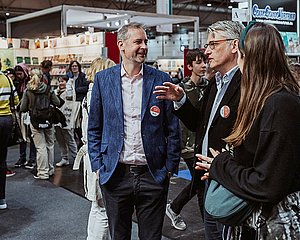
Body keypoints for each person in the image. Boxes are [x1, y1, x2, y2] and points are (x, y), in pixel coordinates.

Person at [195, 22, 300, 239]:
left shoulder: (279, 104)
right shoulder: (268, 100)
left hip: (271, 225)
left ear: (247, 56)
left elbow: (267, 184)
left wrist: (221, 164)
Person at [88, 22, 181, 240]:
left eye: (145, 41)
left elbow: (172, 127)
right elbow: (94, 127)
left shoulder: (160, 79)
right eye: (138, 41)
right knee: (119, 235)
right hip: (115, 174)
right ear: (121, 45)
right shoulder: (104, 80)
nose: (144, 47)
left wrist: (169, 167)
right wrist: (98, 166)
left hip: (153, 174)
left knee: (151, 236)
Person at [154, 20, 244, 240]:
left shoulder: (247, 84)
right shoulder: (215, 83)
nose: (207, 51)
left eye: (213, 44)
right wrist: (181, 100)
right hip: (207, 180)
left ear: (234, 46)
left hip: (230, 183)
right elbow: (199, 124)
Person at [165, 48, 208, 231]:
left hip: (203, 143)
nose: (203, 65)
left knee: (200, 183)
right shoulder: (182, 88)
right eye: (198, 62)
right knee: (200, 184)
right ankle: (207, 225)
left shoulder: (210, 86)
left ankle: (174, 208)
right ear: (189, 66)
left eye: (204, 61)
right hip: (186, 145)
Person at [74, 57, 115, 240]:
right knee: (103, 210)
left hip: (92, 155)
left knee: (96, 206)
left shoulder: (90, 94)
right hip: (99, 156)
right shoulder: (97, 96)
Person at [20, 69, 61, 179]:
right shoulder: (48, 89)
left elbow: (22, 108)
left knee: (40, 147)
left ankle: (43, 172)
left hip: (35, 120)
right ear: (42, 77)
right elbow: (57, 102)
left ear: (30, 77)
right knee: (50, 145)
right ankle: (51, 169)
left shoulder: (28, 91)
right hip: (48, 120)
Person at [0, 69, 19, 209]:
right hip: (6, 119)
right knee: (2, 159)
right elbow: (16, 100)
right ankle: (2, 199)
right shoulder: (7, 79)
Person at [14, 63, 37, 169]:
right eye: (17, 74)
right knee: (21, 136)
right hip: (19, 111)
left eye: (20, 73)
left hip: (29, 111)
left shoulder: (30, 82)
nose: (19, 76)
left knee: (32, 136)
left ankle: (32, 158)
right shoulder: (16, 82)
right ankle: (22, 157)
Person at [54, 75, 77, 167]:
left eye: (63, 81)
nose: (60, 83)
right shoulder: (55, 92)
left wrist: (69, 84)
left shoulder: (70, 91)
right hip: (57, 119)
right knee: (60, 139)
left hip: (67, 118)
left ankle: (75, 158)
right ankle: (65, 158)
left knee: (69, 138)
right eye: (59, 81)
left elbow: (69, 97)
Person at [66, 60, 89, 148]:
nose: (74, 68)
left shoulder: (83, 76)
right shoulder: (70, 77)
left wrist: (76, 89)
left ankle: (81, 141)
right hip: (72, 103)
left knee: (80, 123)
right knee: (75, 125)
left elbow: (87, 87)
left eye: (76, 66)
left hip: (80, 103)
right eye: (72, 66)